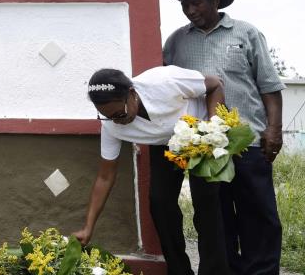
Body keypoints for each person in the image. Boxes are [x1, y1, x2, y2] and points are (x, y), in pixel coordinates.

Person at [163, 0, 285, 275]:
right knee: (216, 221)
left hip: (250, 143)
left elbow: (269, 86)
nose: (190, 10)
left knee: (259, 215)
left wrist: (274, 129)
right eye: (185, 5)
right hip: (203, 149)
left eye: (197, 3)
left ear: (215, 0)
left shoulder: (246, 33)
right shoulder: (176, 41)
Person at [72, 66, 230, 275]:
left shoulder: (164, 82)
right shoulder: (111, 124)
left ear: (132, 93)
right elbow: (105, 176)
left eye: (120, 113)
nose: (117, 121)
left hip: (199, 132)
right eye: (108, 117)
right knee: (159, 203)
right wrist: (88, 227)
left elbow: (215, 84)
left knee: (206, 202)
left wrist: (213, 128)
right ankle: (179, 271)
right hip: (166, 143)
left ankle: (214, 271)